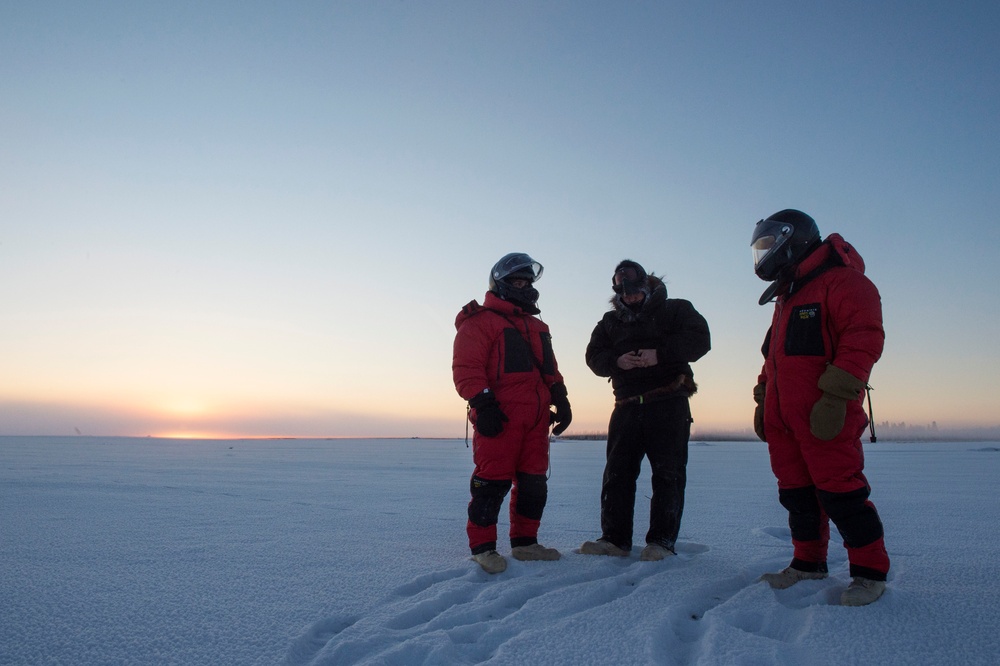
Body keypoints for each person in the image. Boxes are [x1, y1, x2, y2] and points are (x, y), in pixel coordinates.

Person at [750, 209, 890, 607]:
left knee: (841, 492)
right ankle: (807, 563)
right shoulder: (788, 295)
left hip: (825, 415)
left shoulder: (845, 283)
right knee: (796, 495)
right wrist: (764, 399)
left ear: (791, 239)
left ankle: (869, 573)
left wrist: (835, 397)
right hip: (785, 420)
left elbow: (863, 340)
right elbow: (773, 358)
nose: (763, 256)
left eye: (767, 246)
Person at [581, 260, 710, 561]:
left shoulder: (676, 310)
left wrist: (660, 355)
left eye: (636, 292)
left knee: (668, 474)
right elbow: (593, 356)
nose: (631, 298)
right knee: (617, 474)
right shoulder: (609, 323)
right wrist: (617, 361)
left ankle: (661, 542)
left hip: (668, 404)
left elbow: (700, 340)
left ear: (647, 286)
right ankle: (614, 540)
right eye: (625, 294)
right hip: (626, 406)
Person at [452, 252, 572, 574]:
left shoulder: (538, 326)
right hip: (500, 419)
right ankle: (483, 548)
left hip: (536, 420)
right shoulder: (479, 322)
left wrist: (560, 398)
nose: (523, 286)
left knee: (534, 484)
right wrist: (483, 403)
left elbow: (550, 368)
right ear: (501, 285)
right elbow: (467, 368)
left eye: (526, 281)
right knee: (491, 484)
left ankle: (525, 544)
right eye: (516, 281)